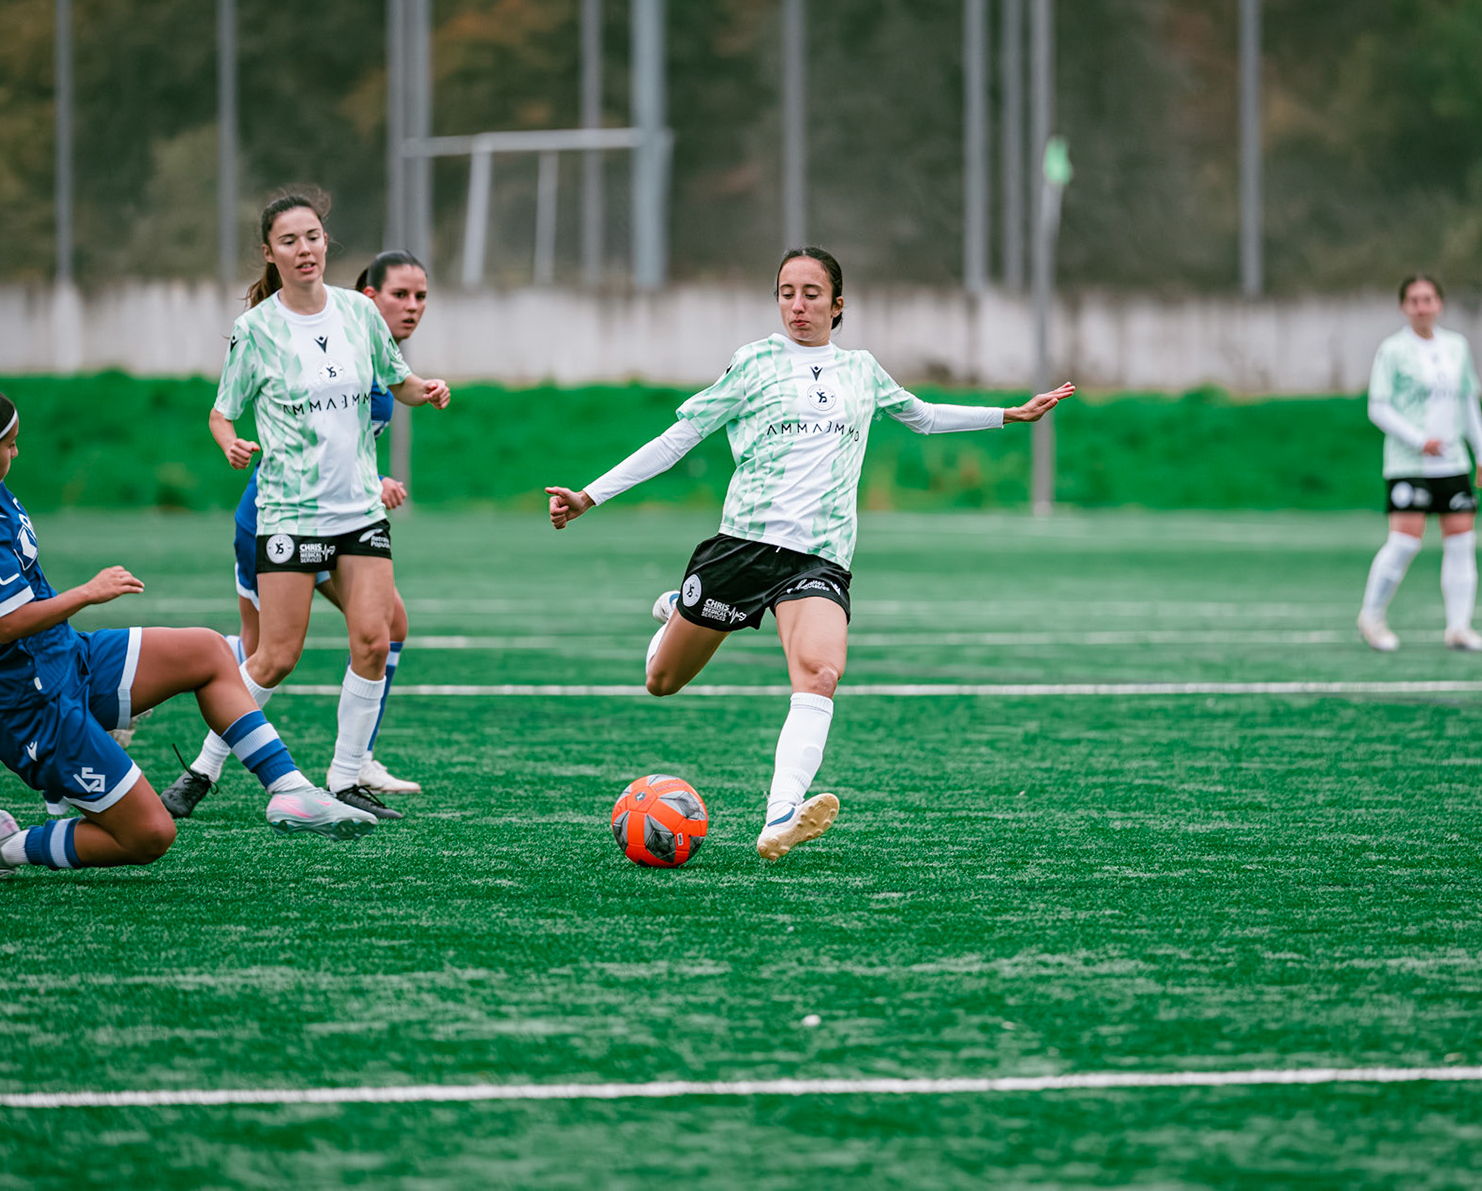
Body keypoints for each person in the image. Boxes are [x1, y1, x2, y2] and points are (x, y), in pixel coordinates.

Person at [545, 247, 1074, 863]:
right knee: (661, 682)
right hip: (743, 549)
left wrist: (1009, 414)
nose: (797, 305)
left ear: (837, 304)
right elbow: (679, 439)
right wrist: (590, 495)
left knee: (821, 674)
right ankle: (674, 612)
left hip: (818, 559)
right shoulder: (755, 363)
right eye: (787, 292)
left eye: (812, 294)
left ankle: (781, 813)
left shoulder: (862, 371)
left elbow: (924, 417)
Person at [0, 233, 378, 881]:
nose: (16, 453)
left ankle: (288, 791)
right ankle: (6, 845)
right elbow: (4, 624)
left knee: (208, 651)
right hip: (28, 704)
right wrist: (87, 593)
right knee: (150, 835)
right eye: (9, 446)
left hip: (62, 658)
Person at [170, 191, 450, 825]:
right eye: (290, 240)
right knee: (275, 657)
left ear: (327, 243)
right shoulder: (256, 329)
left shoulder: (359, 312)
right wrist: (230, 443)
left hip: (359, 512)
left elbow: (397, 380)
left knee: (375, 639)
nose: (305, 250)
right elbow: (221, 412)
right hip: (290, 513)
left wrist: (425, 390)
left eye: (314, 237)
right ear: (270, 253)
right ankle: (201, 771)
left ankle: (346, 779)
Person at [1357, 274, 1482, 653]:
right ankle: (1371, 618)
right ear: (1404, 306)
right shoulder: (1392, 350)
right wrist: (1420, 440)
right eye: (1414, 300)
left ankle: (1459, 628)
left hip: (1453, 464)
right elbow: (1378, 407)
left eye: (1428, 299)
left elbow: (1468, 402)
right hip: (1408, 464)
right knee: (1404, 543)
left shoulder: (1457, 347)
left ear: (1440, 303)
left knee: (1462, 542)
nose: (1422, 306)